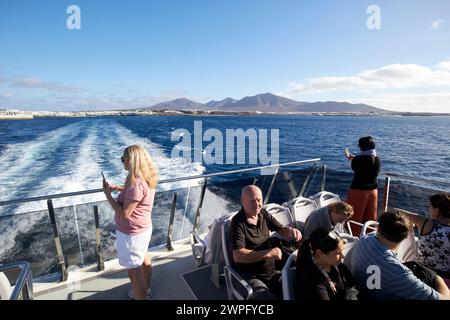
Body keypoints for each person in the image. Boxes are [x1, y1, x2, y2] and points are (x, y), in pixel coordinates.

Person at [351, 210, 450, 300]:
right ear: (406, 236)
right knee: (428, 275)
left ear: (378, 228)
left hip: (362, 288)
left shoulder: (365, 239)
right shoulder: (397, 271)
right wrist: (437, 277)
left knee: (416, 267)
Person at [103, 144, 159, 300]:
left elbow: (125, 213)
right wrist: (119, 189)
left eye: (123, 159)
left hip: (132, 234)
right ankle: (146, 291)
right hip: (143, 229)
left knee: (135, 274)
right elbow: (137, 193)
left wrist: (108, 195)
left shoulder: (135, 183)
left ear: (132, 160)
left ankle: (140, 294)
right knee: (144, 260)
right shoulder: (146, 177)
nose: (122, 162)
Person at [230, 185, 302, 299]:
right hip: (251, 277)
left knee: (297, 288)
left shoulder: (263, 214)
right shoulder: (237, 223)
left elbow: (281, 229)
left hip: (272, 272)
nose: (257, 204)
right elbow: (238, 255)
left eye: (259, 200)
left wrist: (291, 231)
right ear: (242, 201)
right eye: (252, 201)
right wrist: (269, 253)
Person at [394, 193, 450, 279]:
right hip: (446, 279)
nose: (428, 208)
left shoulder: (424, 223)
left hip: (422, 274)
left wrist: (407, 222)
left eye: (430, 206)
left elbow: (395, 211)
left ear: (436, 211)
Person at [295, 227, 358, 300]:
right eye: (338, 253)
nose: (343, 256)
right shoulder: (310, 279)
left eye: (342, 251)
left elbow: (352, 285)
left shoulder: (336, 265)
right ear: (319, 253)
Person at [346, 136, 380, 236]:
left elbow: (355, 167)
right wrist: (355, 158)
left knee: (354, 218)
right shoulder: (377, 158)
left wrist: (353, 159)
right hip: (373, 190)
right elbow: (366, 163)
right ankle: (370, 239)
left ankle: (354, 240)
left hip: (359, 190)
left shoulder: (358, 159)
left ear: (362, 146)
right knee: (370, 217)